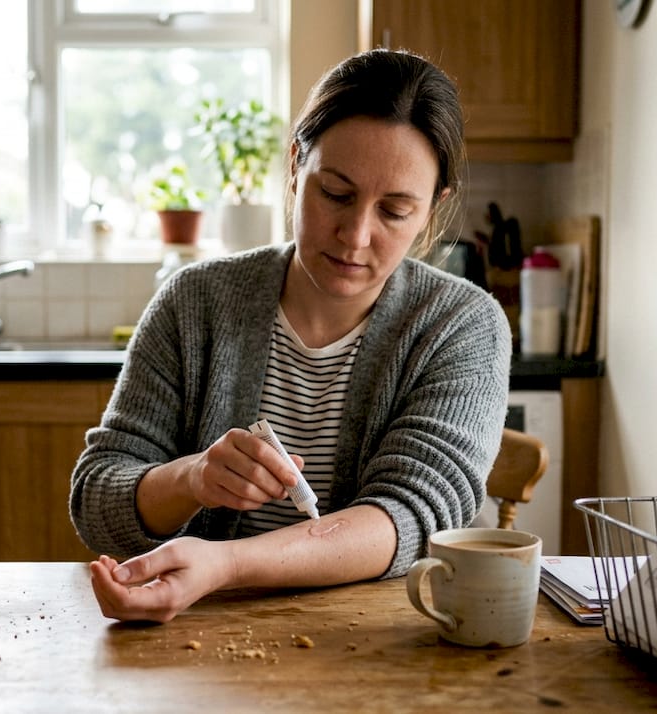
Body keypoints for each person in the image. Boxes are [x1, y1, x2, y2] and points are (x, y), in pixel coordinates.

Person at [70, 48, 511, 623]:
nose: (355, 235)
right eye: (336, 193)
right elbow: (97, 499)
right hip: (200, 633)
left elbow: (412, 516)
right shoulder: (196, 302)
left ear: (432, 209)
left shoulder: (462, 324)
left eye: (395, 211)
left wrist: (227, 564)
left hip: (381, 638)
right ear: (297, 164)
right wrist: (193, 477)